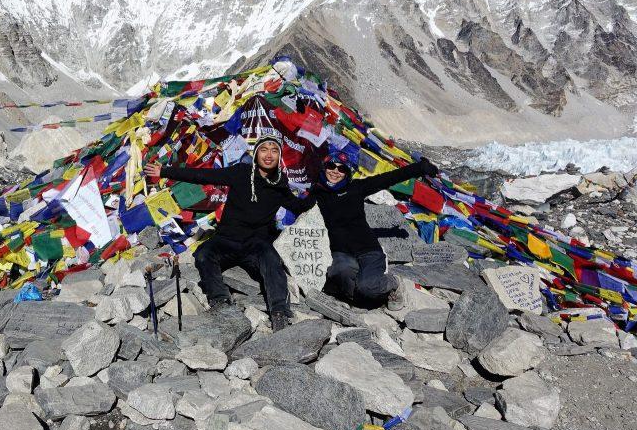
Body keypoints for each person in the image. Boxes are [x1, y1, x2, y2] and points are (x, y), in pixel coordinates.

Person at [144, 135, 316, 332]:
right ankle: (220, 300)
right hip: (226, 239)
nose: (269, 155)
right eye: (264, 150)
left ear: (279, 156)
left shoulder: (279, 184)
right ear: (256, 153)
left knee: (272, 260)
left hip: (256, 244)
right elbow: (203, 176)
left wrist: (321, 189)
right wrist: (164, 171)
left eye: (274, 150)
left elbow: (298, 206)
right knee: (203, 254)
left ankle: (279, 313)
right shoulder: (241, 173)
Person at [315, 154, 440, 310]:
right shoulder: (315, 192)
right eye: (331, 166)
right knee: (341, 271)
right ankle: (358, 298)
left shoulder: (356, 187)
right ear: (325, 167)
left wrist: (420, 167)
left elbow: (388, 178)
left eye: (342, 168)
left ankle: (392, 283)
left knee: (367, 287)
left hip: (369, 250)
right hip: (342, 253)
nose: (335, 171)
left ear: (347, 172)